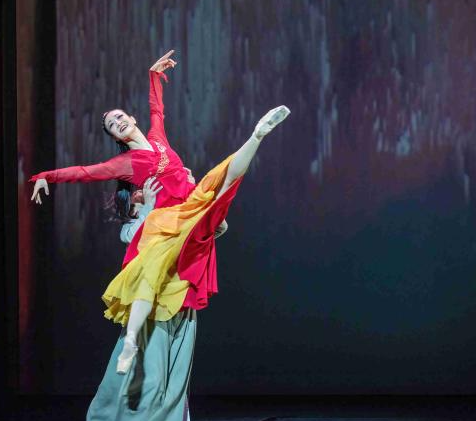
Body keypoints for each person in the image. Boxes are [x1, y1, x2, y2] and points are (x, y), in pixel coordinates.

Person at [30, 50, 289, 374]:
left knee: (223, 174)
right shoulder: (125, 163)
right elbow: (85, 172)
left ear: (132, 119)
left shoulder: (156, 138)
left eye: (120, 117)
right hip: (169, 221)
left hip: (192, 201)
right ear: (115, 137)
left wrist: (154, 76)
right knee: (149, 275)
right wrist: (46, 176)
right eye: (112, 125)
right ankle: (131, 341)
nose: (118, 122)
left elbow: (157, 110)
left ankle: (257, 134)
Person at [86, 176, 225, 421]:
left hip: (183, 307)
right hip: (153, 311)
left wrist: (199, 195)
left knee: (174, 383)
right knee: (151, 380)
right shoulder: (136, 222)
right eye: (140, 190)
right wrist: (149, 207)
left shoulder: (179, 213)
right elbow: (137, 238)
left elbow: (218, 228)